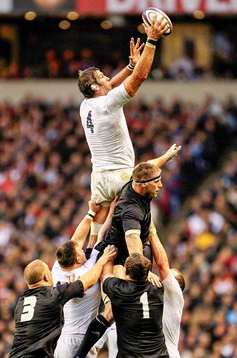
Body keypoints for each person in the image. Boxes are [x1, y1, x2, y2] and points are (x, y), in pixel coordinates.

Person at [66, 147, 181, 358]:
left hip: (122, 257)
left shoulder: (137, 182)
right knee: (117, 311)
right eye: (156, 182)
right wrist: (142, 269)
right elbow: (132, 240)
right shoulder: (132, 210)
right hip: (115, 257)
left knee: (128, 313)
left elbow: (148, 166)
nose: (160, 185)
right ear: (142, 186)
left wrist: (166, 157)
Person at [77, 15, 171, 243]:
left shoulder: (86, 104)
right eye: (102, 76)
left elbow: (110, 86)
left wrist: (129, 66)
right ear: (94, 86)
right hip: (121, 175)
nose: (108, 77)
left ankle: (91, 254)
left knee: (97, 227)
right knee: (142, 226)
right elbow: (141, 76)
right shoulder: (108, 103)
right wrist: (152, 41)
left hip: (99, 176)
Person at [5, 246, 116, 358]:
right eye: (48, 273)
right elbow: (89, 280)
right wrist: (103, 260)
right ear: (45, 277)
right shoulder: (53, 294)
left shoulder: (21, 302)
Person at [52, 200, 116, 358]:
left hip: (63, 342)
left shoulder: (58, 268)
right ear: (78, 259)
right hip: (79, 343)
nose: (84, 250)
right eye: (81, 252)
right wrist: (114, 207)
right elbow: (102, 234)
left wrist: (90, 213)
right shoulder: (89, 269)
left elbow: (78, 238)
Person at [101, 252, 179, 358]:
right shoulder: (158, 289)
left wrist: (108, 256)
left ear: (126, 272)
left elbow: (106, 276)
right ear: (147, 273)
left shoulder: (118, 289)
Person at [144, 225, 185, 358]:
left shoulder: (175, 295)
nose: (164, 277)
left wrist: (152, 231)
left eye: (170, 276)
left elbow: (161, 264)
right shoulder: (158, 296)